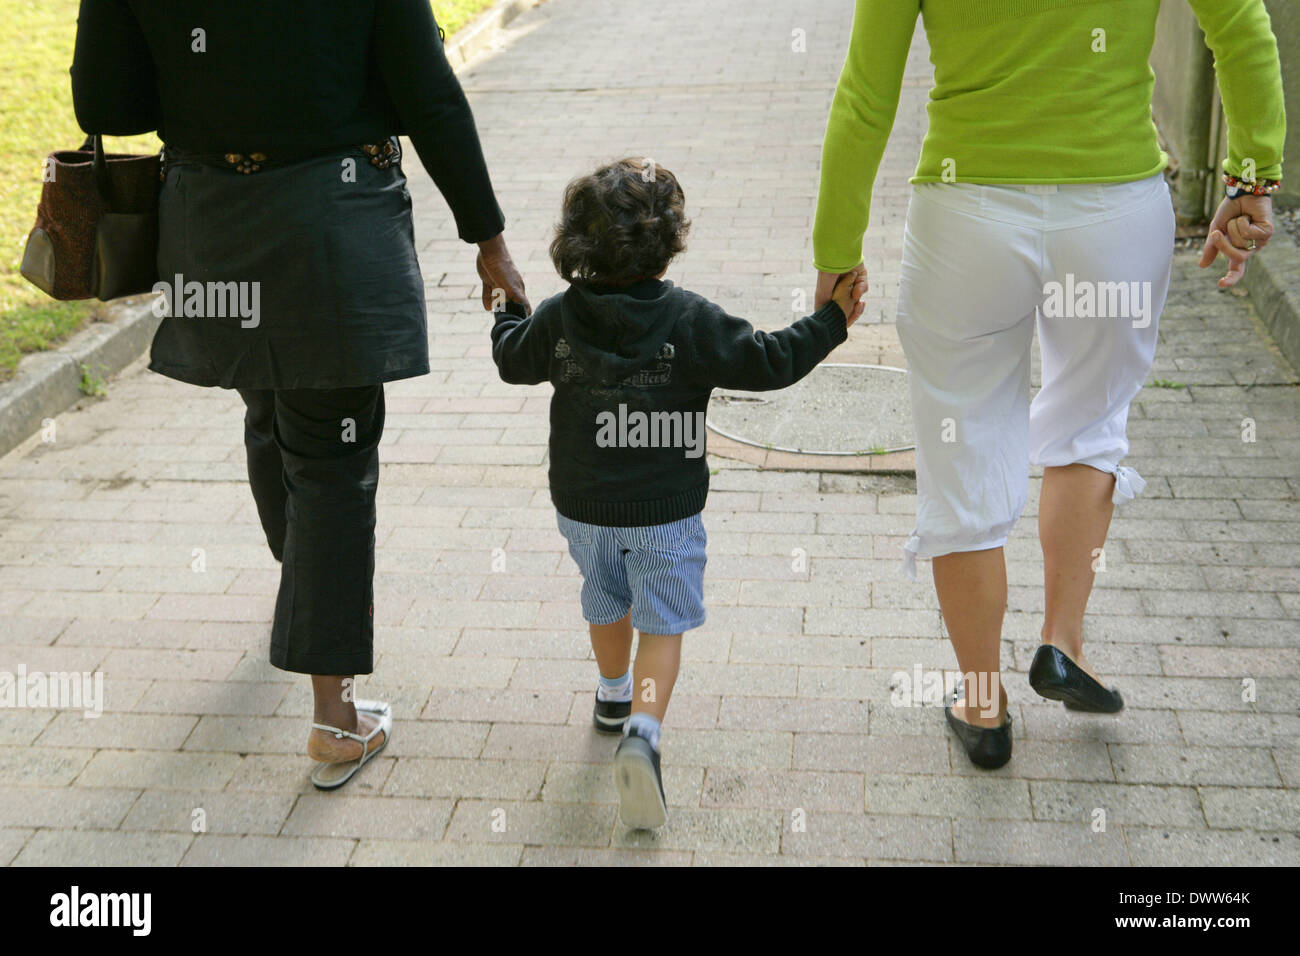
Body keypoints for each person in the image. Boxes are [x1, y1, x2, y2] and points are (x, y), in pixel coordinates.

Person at [812, 0, 1285, 768]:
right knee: (1090, 423)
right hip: (1115, 211)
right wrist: (1253, 173)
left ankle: (982, 702)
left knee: (963, 443)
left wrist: (836, 244)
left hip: (966, 219)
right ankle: (1063, 643)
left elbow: (868, 91)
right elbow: (1240, 25)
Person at [70, 0, 528, 789]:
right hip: (333, 220)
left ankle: (306, 594)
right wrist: (487, 237)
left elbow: (108, 106)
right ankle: (333, 720)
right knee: (331, 459)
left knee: (267, 406)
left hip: (211, 224)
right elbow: (428, 92)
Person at [492, 158, 866, 827]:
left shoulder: (558, 317)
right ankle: (643, 733)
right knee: (661, 623)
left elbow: (512, 358)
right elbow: (770, 360)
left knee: (604, 597)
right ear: (668, 241)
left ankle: (611, 695)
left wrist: (505, 309)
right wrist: (831, 322)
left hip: (582, 508)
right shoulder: (689, 319)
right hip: (665, 513)